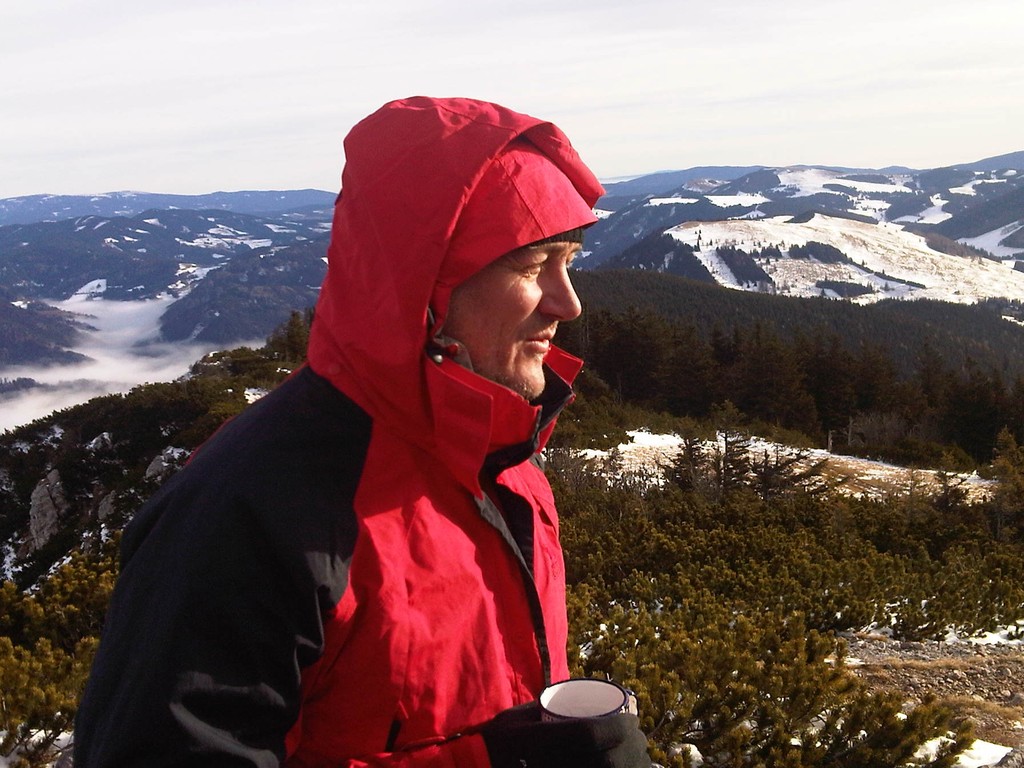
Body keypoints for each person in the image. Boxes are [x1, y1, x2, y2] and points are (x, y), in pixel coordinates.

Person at [73, 96, 651, 767]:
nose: (568, 303)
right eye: (532, 266)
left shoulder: (500, 455)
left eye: (569, 260)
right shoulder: (250, 512)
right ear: (424, 284)